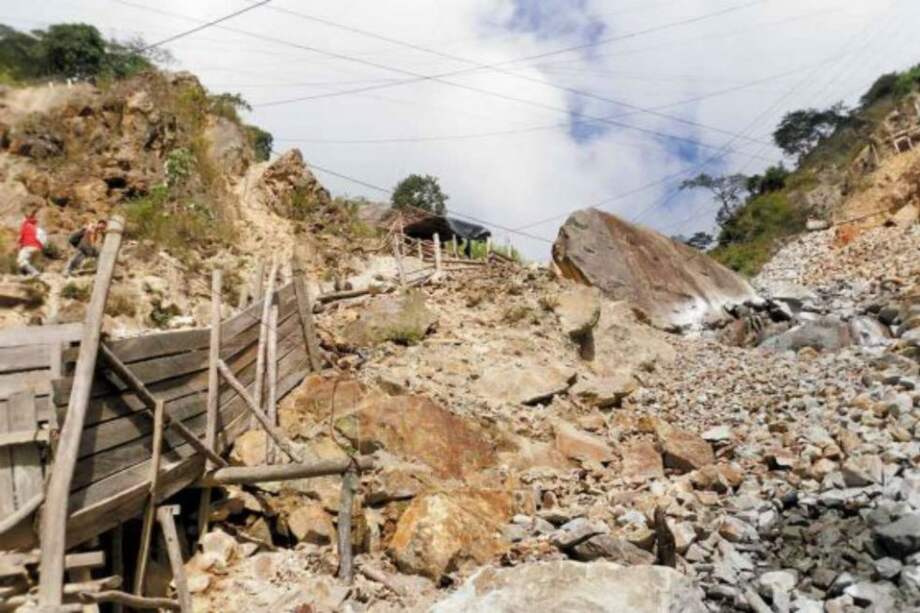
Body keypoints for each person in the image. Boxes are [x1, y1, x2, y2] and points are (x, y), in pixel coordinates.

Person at [16, 209, 44, 277]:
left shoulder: (25, 225)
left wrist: (17, 245)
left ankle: (34, 272)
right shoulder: (34, 226)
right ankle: (25, 275)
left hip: (29, 246)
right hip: (37, 248)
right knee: (27, 261)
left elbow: (20, 238)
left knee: (21, 260)